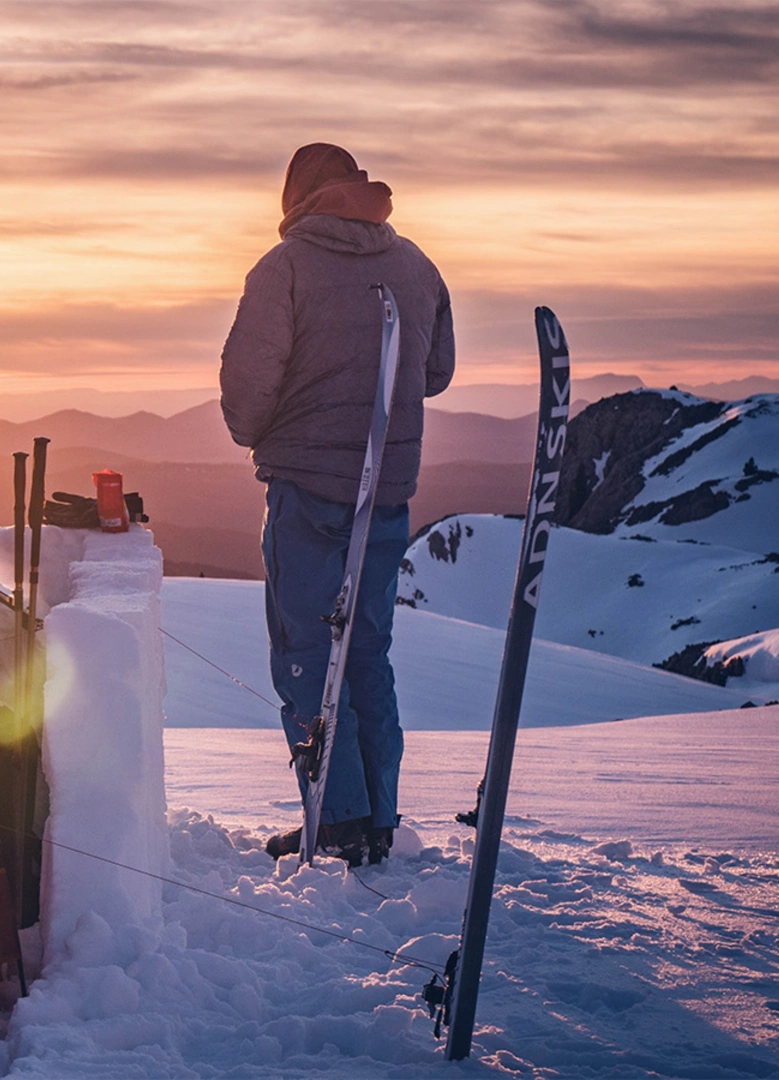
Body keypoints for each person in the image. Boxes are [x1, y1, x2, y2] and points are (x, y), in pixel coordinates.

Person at [219, 144, 455, 865]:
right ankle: (378, 814)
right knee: (367, 654)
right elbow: (437, 372)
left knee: (305, 654)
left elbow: (246, 401)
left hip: (306, 490)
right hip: (387, 495)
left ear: (297, 196)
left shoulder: (283, 268)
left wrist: (277, 426)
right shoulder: (415, 263)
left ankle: (339, 815)